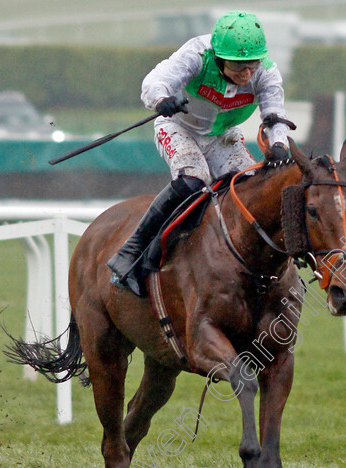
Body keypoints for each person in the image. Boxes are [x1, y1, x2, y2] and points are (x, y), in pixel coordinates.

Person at [107, 10, 292, 296]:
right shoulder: (196, 54)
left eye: (252, 64)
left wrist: (279, 144)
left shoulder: (265, 71)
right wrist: (161, 99)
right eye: (239, 65)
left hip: (223, 137)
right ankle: (131, 253)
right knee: (194, 181)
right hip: (178, 128)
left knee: (251, 189)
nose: (248, 73)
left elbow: (275, 116)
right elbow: (155, 82)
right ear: (218, 57)